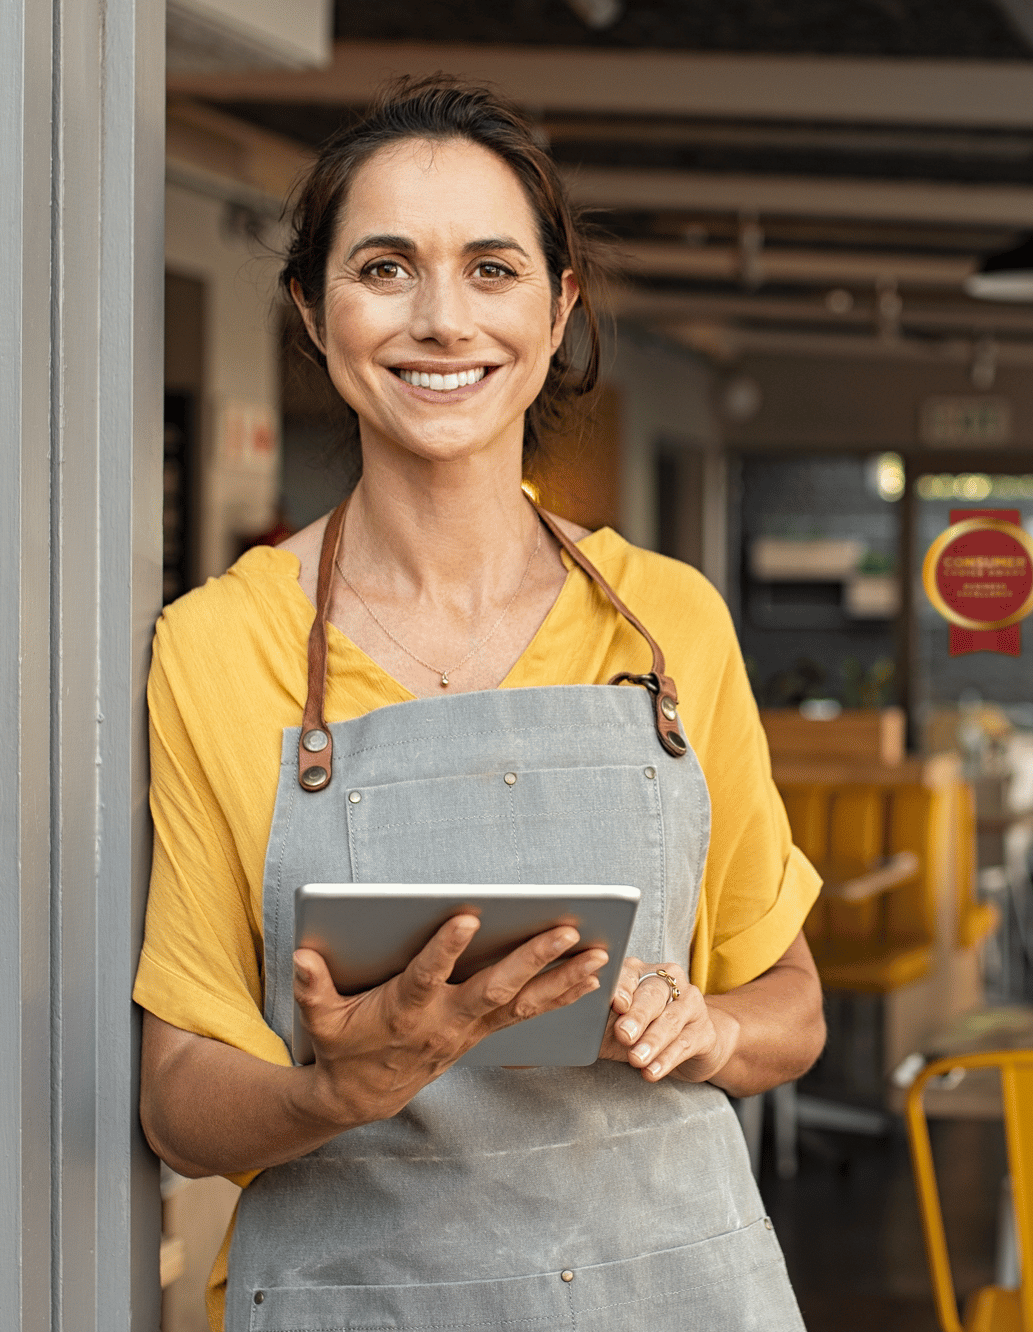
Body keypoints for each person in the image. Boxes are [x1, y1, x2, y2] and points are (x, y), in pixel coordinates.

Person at [135, 79, 821, 1331]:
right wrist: (341, 1086)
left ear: (557, 309)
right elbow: (179, 1095)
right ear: (312, 306)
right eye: (385, 268)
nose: (442, 321)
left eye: (492, 268)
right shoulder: (218, 646)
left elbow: (791, 1005)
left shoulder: (667, 625)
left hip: (674, 1291)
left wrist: (705, 1031)